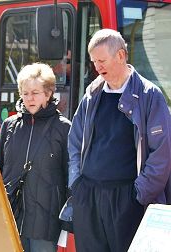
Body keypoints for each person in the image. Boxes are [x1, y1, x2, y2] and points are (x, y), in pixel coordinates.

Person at [67, 29, 171, 252]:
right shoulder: (92, 94)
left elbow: (162, 154)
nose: (97, 67)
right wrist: (76, 183)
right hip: (89, 199)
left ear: (121, 56)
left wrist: (138, 195)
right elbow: (74, 141)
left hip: (128, 201)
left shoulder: (150, 95)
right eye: (94, 61)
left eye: (102, 60)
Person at [0, 63, 71, 252]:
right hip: (10, 219)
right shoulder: (9, 125)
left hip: (45, 224)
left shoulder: (63, 128)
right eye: (25, 93)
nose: (29, 98)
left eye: (35, 92)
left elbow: (70, 177)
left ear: (48, 94)